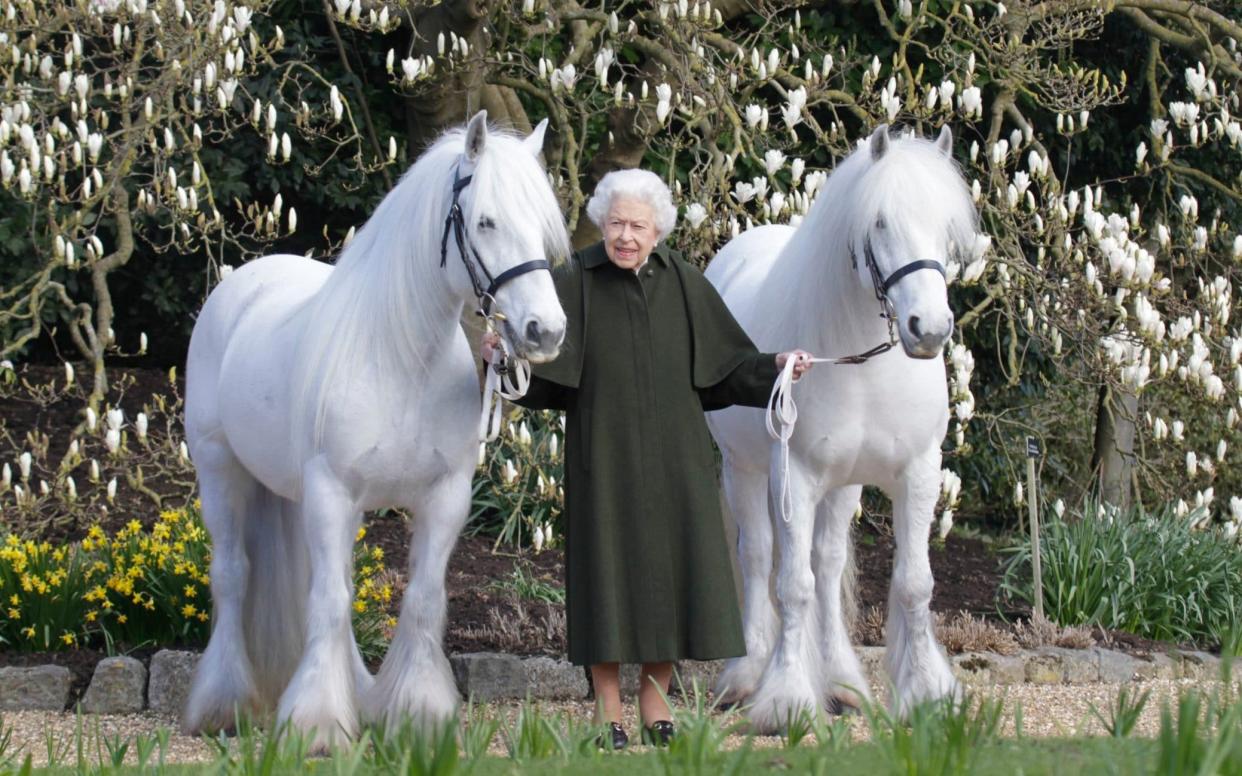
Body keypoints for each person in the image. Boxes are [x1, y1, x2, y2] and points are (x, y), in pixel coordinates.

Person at [481, 169, 812, 749]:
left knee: (673, 578)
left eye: (636, 225)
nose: (625, 236)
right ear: (600, 225)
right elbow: (541, 378)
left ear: (658, 229)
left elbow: (727, 368)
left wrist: (779, 365)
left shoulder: (684, 282)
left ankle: (654, 695)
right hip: (601, 458)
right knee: (606, 578)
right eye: (615, 224)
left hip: (676, 460)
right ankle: (608, 704)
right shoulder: (575, 280)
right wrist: (500, 360)